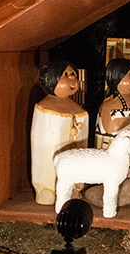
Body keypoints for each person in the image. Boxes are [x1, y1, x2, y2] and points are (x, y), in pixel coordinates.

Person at [30, 60, 88, 205]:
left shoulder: (78, 109)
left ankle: (74, 189)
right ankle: (48, 192)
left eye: (73, 74)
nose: (72, 78)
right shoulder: (44, 108)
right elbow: (43, 142)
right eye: (65, 75)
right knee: (48, 162)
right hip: (52, 153)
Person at [95, 58, 130, 180]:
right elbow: (109, 127)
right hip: (114, 146)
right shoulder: (110, 103)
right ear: (115, 77)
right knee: (114, 171)